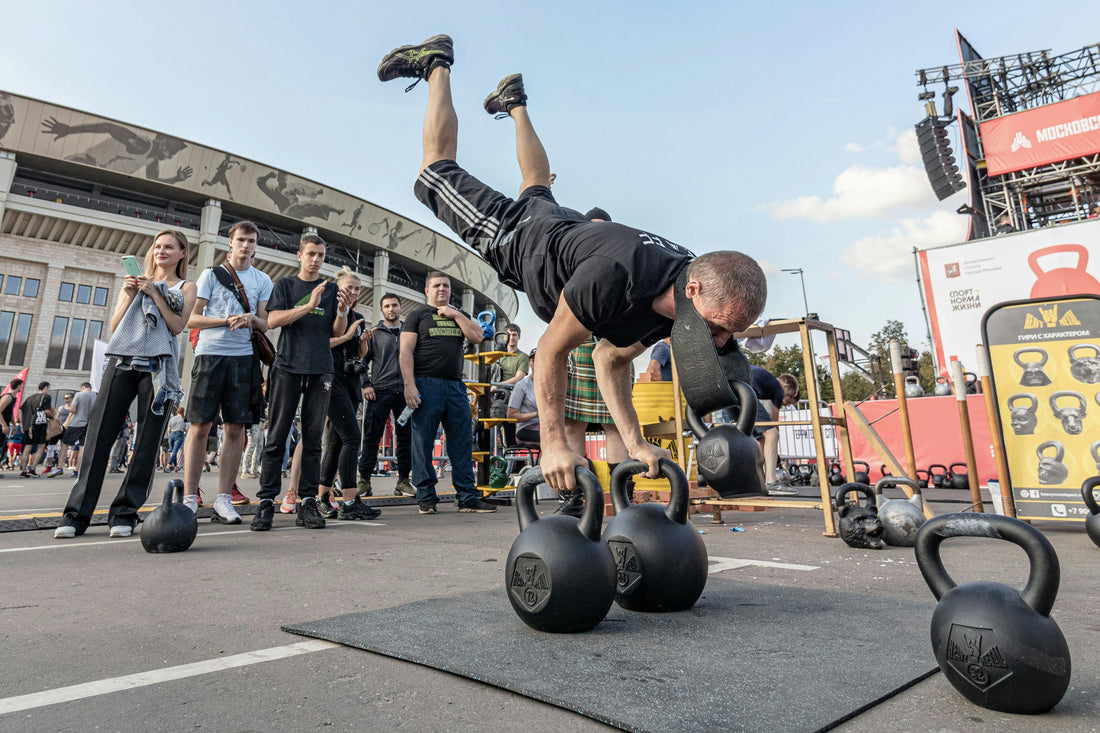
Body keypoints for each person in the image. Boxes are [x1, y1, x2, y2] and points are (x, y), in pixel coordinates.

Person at [378, 35, 766, 492]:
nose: (718, 340)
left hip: (563, 229)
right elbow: (551, 352)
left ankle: (515, 103)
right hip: (517, 236)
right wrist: (554, 442)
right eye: (718, 327)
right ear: (695, 290)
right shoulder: (613, 278)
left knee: (537, 183)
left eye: (728, 334)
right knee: (435, 170)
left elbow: (611, 360)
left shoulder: (678, 300)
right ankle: (436, 65)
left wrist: (636, 442)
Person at [54, 229, 197, 538]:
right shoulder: (132, 283)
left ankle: (125, 512)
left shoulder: (186, 287)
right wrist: (132, 295)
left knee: (147, 442)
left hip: (158, 367)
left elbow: (176, 326)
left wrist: (156, 294)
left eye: (169, 247)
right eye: (157, 246)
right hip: (123, 360)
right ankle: (76, 515)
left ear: (182, 253)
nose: (161, 251)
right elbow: (115, 325)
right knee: (99, 436)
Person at [251, 234, 353, 532]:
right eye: (311, 254)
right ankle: (267, 502)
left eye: (320, 255)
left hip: (321, 368)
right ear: (299, 255)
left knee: (312, 440)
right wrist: (309, 305)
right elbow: (273, 321)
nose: (316, 259)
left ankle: (307, 502)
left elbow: (336, 330)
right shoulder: (285, 285)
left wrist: (343, 311)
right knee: (277, 435)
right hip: (287, 367)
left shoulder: (332, 289)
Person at [181, 220, 272, 522]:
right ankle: (190, 497)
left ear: (256, 245)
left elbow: (265, 322)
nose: (246, 246)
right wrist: (224, 321)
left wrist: (249, 318)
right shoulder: (210, 275)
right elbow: (192, 318)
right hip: (210, 355)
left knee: (235, 428)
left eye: (251, 241)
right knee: (200, 426)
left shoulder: (262, 280)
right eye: (241, 240)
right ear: (229, 242)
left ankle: (223, 498)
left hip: (244, 358)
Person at [399, 270, 495, 514]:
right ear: (427, 290)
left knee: (461, 442)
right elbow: (405, 352)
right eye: (437, 285)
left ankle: (467, 498)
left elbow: (477, 335)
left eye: (446, 286)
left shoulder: (457, 315)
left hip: (454, 385)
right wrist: (410, 386)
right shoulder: (417, 315)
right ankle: (426, 497)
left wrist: (455, 314)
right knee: (422, 443)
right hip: (425, 384)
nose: (442, 289)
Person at [316, 267, 381, 521]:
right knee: (353, 438)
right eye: (349, 287)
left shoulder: (359, 316)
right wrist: (346, 335)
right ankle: (350, 500)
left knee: (336, 441)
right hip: (331, 379)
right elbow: (323, 343)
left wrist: (363, 340)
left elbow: (359, 355)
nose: (353, 292)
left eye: (357, 289)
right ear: (337, 287)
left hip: (351, 381)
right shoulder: (326, 310)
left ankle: (322, 498)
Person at [357, 292, 413, 498]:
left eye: (394, 305)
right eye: (387, 306)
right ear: (382, 310)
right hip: (379, 393)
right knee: (372, 437)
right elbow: (361, 361)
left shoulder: (410, 332)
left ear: (400, 308)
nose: (391, 309)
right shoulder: (375, 333)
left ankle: (403, 481)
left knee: (406, 439)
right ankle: (364, 481)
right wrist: (366, 384)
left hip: (405, 394)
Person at [745, 367, 800, 495]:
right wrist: (776, 454)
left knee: (755, 438)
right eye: (788, 398)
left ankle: (754, 481)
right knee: (772, 435)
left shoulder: (765, 380)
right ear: (785, 385)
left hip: (730, 393)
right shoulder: (778, 388)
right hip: (746, 393)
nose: (785, 403)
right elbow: (774, 424)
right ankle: (771, 482)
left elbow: (766, 423)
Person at [494, 323, 529, 448]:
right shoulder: (497, 356)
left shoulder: (523, 357)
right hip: (495, 397)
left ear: (519, 337)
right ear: (504, 337)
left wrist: (496, 385)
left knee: (511, 433)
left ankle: (516, 463)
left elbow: (519, 377)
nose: (511, 337)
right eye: (509, 334)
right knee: (490, 431)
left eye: (514, 335)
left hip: (512, 397)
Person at [58, 382, 95, 479]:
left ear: (82, 387)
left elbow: (73, 409)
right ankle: (77, 470)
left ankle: (59, 467)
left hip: (76, 423)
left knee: (65, 444)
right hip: (88, 424)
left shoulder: (79, 395)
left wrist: (70, 408)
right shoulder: (94, 395)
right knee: (82, 447)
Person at [19, 382, 53, 477]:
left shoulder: (30, 398)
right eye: (49, 388)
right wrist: (53, 417)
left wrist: (22, 425)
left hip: (27, 426)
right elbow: (46, 411)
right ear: (45, 387)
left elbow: (20, 410)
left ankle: (23, 470)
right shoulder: (46, 397)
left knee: (27, 447)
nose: (49, 390)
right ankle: (32, 469)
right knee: (41, 446)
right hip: (39, 425)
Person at [506, 348, 539, 445]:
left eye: (540, 359)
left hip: (546, 426)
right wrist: (537, 414)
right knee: (553, 438)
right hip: (526, 428)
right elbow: (511, 416)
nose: (537, 363)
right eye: (533, 360)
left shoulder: (552, 384)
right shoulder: (521, 385)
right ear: (529, 363)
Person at [0, 378, 22, 472]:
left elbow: (11, 414)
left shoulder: (13, 398)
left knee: (1, 446)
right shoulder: (8, 397)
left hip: (5, 425)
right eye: (21, 385)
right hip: (1, 425)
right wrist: (4, 425)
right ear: (18, 386)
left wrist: (13, 425)